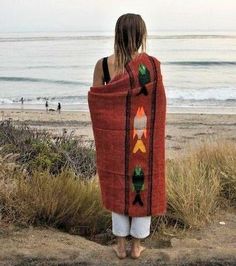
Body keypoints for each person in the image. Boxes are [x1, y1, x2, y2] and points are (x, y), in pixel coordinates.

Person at [89, 13, 167, 260]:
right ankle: (136, 248)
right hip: (141, 140)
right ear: (141, 35)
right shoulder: (151, 66)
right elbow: (157, 105)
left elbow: (97, 103)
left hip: (114, 142)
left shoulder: (103, 65)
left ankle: (120, 247)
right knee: (142, 183)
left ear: (117, 35)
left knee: (117, 185)